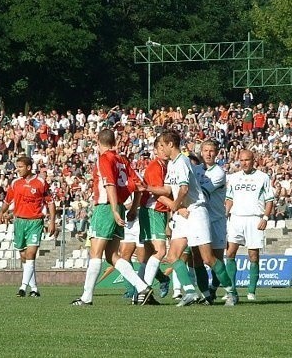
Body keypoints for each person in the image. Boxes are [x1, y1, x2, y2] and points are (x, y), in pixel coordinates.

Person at [143, 130, 237, 306]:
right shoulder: (172, 164)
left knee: (207, 258)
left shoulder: (183, 162)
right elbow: (169, 190)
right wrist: (147, 187)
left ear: (171, 144)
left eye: (162, 145)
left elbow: (184, 190)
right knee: (172, 256)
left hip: (196, 212)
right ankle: (191, 292)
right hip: (183, 213)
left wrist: (176, 206)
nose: (160, 149)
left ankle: (231, 292)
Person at [71, 129, 154, 306]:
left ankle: (86, 298)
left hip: (106, 208)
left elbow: (109, 185)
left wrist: (115, 210)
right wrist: (132, 208)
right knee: (111, 255)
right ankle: (142, 287)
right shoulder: (122, 160)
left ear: (97, 141)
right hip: (120, 207)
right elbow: (140, 186)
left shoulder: (105, 159)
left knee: (95, 253)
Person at [0, 156, 56, 297]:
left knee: (31, 254)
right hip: (19, 222)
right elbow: (7, 200)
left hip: (35, 222)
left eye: (20, 167)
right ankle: (34, 288)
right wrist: (1, 213)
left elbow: (50, 202)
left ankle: (22, 288)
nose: (18, 170)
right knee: (23, 256)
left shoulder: (40, 182)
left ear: (29, 167)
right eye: (17, 167)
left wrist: (52, 220)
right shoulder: (15, 183)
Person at [225, 149, 274, 301]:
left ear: (254, 161)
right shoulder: (233, 178)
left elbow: (269, 200)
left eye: (247, 160)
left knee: (253, 255)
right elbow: (229, 198)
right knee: (230, 252)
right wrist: (225, 213)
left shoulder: (263, 177)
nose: (244, 163)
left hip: (254, 219)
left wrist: (265, 217)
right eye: (242, 160)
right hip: (236, 218)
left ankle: (251, 291)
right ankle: (231, 290)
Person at [137, 136, 171, 302]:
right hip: (153, 210)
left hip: (153, 211)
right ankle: (144, 291)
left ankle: (150, 288)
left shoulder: (166, 167)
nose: (164, 150)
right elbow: (161, 192)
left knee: (149, 255)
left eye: (166, 146)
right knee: (161, 251)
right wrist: (175, 204)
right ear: (156, 151)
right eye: (161, 147)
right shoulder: (155, 167)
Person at [193, 140, 228, 301]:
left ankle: (216, 289)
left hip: (216, 219)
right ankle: (205, 295)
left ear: (217, 153)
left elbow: (202, 194)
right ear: (201, 151)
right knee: (198, 259)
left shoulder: (219, 173)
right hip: (199, 219)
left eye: (212, 151)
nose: (208, 153)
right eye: (205, 150)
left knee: (216, 259)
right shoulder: (195, 170)